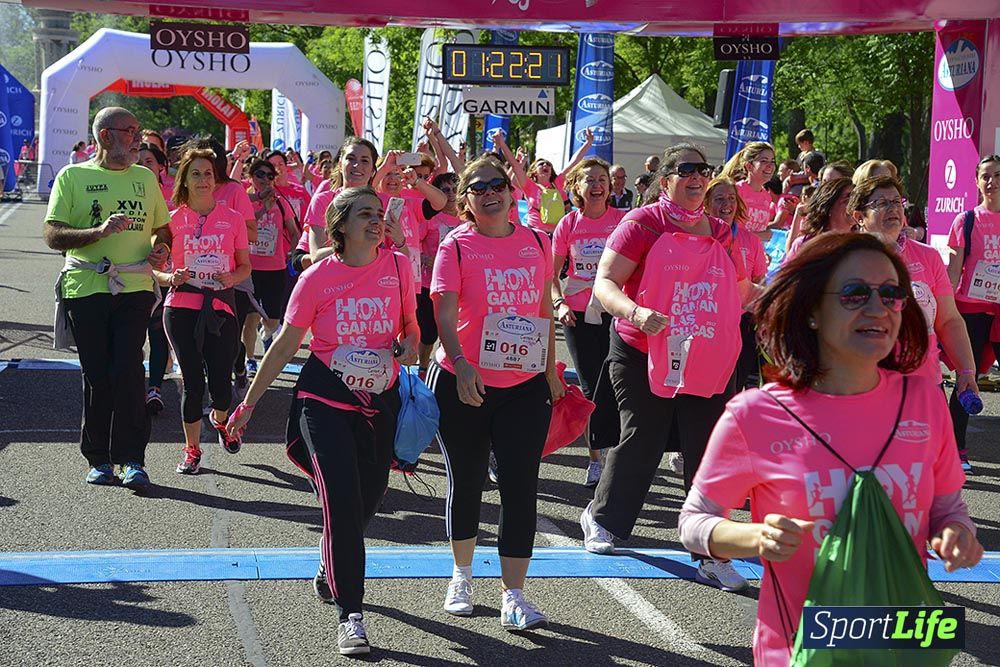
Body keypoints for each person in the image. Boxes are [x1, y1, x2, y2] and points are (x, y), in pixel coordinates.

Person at [678, 232, 983, 665]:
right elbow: (693, 523)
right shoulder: (755, 414)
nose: (877, 308)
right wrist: (754, 537)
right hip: (799, 650)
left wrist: (958, 534)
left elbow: (949, 509)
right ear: (812, 311)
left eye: (892, 294)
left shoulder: (925, 401)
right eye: (855, 293)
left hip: (901, 645)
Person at [227, 186, 419, 656]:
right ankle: (351, 615)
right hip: (324, 399)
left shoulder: (399, 267)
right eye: (364, 214)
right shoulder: (316, 278)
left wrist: (411, 343)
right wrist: (248, 405)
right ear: (340, 226)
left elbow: (411, 326)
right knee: (341, 501)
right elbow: (285, 345)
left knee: (369, 497)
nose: (376, 221)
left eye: (378, 213)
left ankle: (329, 560)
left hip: (379, 400)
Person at [583, 142, 755, 592]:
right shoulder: (642, 223)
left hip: (705, 353)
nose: (697, 178)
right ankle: (603, 518)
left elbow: (740, 291)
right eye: (686, 170)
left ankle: (710, 552)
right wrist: (636, 312)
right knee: (644, 436)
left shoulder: (722, 232)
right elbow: (605, 283)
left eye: (703, 170)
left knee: (708, 447)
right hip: (641, 348)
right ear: (666, 180)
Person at [427, 156, 561, 630]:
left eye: (497, 184)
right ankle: (461, 575)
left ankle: (514, 595)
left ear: (511, 191)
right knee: (466, 481)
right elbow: (444, 314)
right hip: (464, 381)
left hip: (523, 384)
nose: (490, 193)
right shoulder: (456, 245)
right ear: (465, 199)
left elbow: (542, 307)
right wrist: (461, 363)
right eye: (479, 187)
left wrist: (550, 370)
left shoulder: (537, 241)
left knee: (520, 487)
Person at [43, 106, 170, 488]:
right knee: (97, 374)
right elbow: (53, 235)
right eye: (130, 131)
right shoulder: (73, 176)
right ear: (105, 136)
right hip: (86, 286)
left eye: (138, 131)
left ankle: (132, 459)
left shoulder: (144, 177)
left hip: (134, 286)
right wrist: (97, 233)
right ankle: (98, 459)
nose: (137, 139)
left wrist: (160, 248)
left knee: (129, 370)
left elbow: (162, 228)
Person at [155, 149, 250, 473]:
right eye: (195, 173)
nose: (202, 180)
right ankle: (192, 450)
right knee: (193, 382)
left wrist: (232, 277)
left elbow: (245, 266)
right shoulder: (170, 220)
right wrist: (171, 277)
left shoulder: (233, 219)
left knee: (222, 387)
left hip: (221, 306)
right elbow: (154, 268)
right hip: (181, 307)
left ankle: (220, 420)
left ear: (215, 179)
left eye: (208, 173)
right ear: (184, 180)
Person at [551, 158, 626, 486]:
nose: (597, 185)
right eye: (589, 180)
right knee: (589, 387)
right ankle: (596, 457)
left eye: (602, 180)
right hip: (578, 314)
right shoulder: (568, 224)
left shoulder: (622, 221)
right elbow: (551, 274)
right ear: (576, 188)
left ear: (610, 187)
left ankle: (617, 453)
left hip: (615, 311)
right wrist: (559, 303)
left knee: (619, 383)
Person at [946, 154, 1000, 472]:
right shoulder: (966, 220)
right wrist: (942, 310)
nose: (992, 182)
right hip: (971, 308)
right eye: (986, 176)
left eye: (998, 175)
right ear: (977, 182)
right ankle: (957, 449)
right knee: (967, 378)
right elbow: (953, 272)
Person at [705, 177, 768, 390]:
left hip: (741, 323)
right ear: (706, 204)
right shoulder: (698, 235)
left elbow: (759, 280)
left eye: (731, 198)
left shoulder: (751, 240)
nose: (727, 204)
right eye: (719, 199)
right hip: (706, 320)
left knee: (735, 385)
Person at [244, 158, 298, 372]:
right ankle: (250, 358)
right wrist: (263, 210)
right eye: (260, 174)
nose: (265, 179)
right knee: (250, 318)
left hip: (275, 269)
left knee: (273, 320)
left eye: (270, 175)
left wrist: (292, 253)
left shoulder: (281, 202)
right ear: (251, 176)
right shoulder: (244, 200)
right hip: (249, 268)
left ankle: (266, 335)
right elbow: (241, 229)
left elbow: (294, 232)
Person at [499, 129, 593, 235]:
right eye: (541, 164)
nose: (545, 165)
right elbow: (515, 168)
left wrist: (588, 143)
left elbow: (574, 162)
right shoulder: (529, 185)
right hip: (536, 234)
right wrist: (502, 144)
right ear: (534, 172)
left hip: (558, 234)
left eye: (548, 165)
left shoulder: (558, 183)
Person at [416, 172, 462, 371]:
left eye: (455, 189)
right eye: (445, 190)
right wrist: (426, 259)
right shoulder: (430, 218)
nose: (451, 194)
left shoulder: (466, 220)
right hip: (429, 284)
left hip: (457, 286)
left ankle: (449, 368)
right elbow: (412, 245)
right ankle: (423, 368)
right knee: (428, 334)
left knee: (453, 331)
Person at [719, 141, 781, 237]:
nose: (770, 166)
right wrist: (760, 236)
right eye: (764, 161)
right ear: (749, 166)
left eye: (772, 161)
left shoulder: (767, 197)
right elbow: (725, 230)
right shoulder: (736, 191)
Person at [784, 177, 855, 259]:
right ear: (829, 205)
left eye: (856, 198)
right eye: (847, 198)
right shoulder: (805, 244)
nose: (854, 204)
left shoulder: (861, 245)